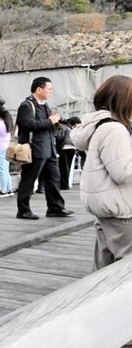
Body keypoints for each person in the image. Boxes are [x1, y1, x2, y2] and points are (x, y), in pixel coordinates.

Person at [69, 75, 132, 270]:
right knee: (125, 269)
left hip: (104, 207)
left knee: (103, 267)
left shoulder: (98, 125)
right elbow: (123, 172)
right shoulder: (115, 129)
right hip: (121, 209)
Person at [14, 76, 74, 220]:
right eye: (49, 88)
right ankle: (23, 210)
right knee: (29, 179)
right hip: (35, 148)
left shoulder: (45, 105)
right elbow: (27, 124)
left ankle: (55, 207)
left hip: (49, 148)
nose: (51, 91)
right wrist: (49, 121)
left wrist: (57, 121)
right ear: (39, 89)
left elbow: (46, 124)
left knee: (54, 178)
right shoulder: (26, 105)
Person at [57, 116, 82, 189]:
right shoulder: (72, 130)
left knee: (64, 167)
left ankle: (64, 185)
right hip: (72, 148)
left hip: (65, 148)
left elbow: (59, 137)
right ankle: (66, 184)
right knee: (68, 167)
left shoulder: (65, 128)